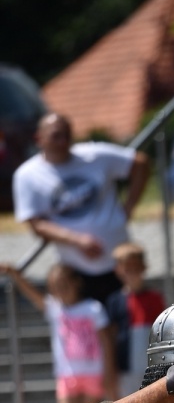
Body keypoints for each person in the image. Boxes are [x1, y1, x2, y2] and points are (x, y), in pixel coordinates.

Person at [12, 113, 150, 304]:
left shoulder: (94, 155)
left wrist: (129, 207)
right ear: (39, 138)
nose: (63, 141)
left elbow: (140, 163)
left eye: (67, 135)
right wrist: (77, 241)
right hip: (76, 272)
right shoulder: (27, 175)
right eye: (56, 135)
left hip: (120, 266)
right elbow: (36, 224)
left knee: (127, 318)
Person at [0, 261, 116, 403]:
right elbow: (31, 293)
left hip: (92, 371)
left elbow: (106, 341)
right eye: (55, 286)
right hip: (67, 373)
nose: (60, 290)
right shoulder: (55, 308)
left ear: (76, 283)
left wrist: (109, 371)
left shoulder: (93, 308)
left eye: (64, 284)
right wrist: (15, 274)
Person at [106, 242, 165, 396]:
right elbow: (111, 337)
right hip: (125, 368)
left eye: (135, 268)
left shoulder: (155, 298)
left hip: (152, 366)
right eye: (127, 268)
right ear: (118, 270)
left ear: (143, 267)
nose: (132, 273)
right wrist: (110, 370)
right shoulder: (115, 301)